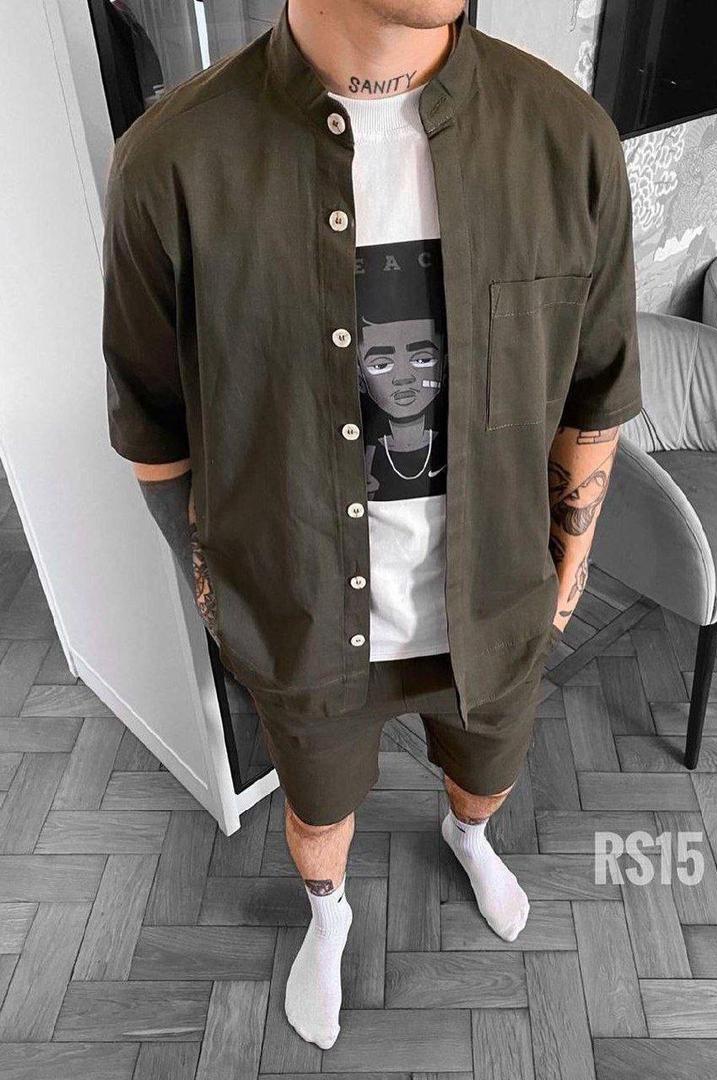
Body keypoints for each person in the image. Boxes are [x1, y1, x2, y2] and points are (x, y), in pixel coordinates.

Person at [102, 0, 641, 1050]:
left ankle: (468, 837)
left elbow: (596, 391)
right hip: (299, 615)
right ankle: (329, 916)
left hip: (496, 600)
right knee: (318, 810)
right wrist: (218, 593)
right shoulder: (172, 164)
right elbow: (152, 424)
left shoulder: (567, 141)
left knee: (486, 776)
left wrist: (567, 568)